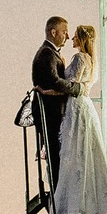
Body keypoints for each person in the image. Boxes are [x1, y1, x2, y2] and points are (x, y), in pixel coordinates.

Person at [53, 25, 107, 214]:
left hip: (75, 105)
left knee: (73, 149)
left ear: (81, 39)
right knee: (87, 152)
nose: (71, 38)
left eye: (74, 36)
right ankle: (88, 200)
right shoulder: (91, 60)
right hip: (87, 106)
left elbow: (70, 84)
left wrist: (51, 91)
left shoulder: (79, 57)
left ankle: (71, 202)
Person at [32, 17, 74, 183]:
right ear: (53, 32)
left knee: (57, 151)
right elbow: (54, 81)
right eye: (64, 32)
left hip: (53, 112)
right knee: (55, 151)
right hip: (50, 112)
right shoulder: (46, 53)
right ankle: (58, 187)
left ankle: (59, 185)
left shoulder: (50, 52)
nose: (68, 36)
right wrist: (76, 88)